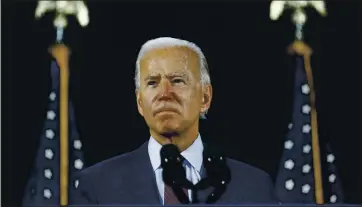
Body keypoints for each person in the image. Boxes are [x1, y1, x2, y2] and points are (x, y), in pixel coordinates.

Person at [71, 37, 278, 205]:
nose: (164, 93)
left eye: (178, 81)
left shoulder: (253, 186)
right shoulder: (97, 186)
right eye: (152, 83)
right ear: (140, 103)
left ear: (205, 98)